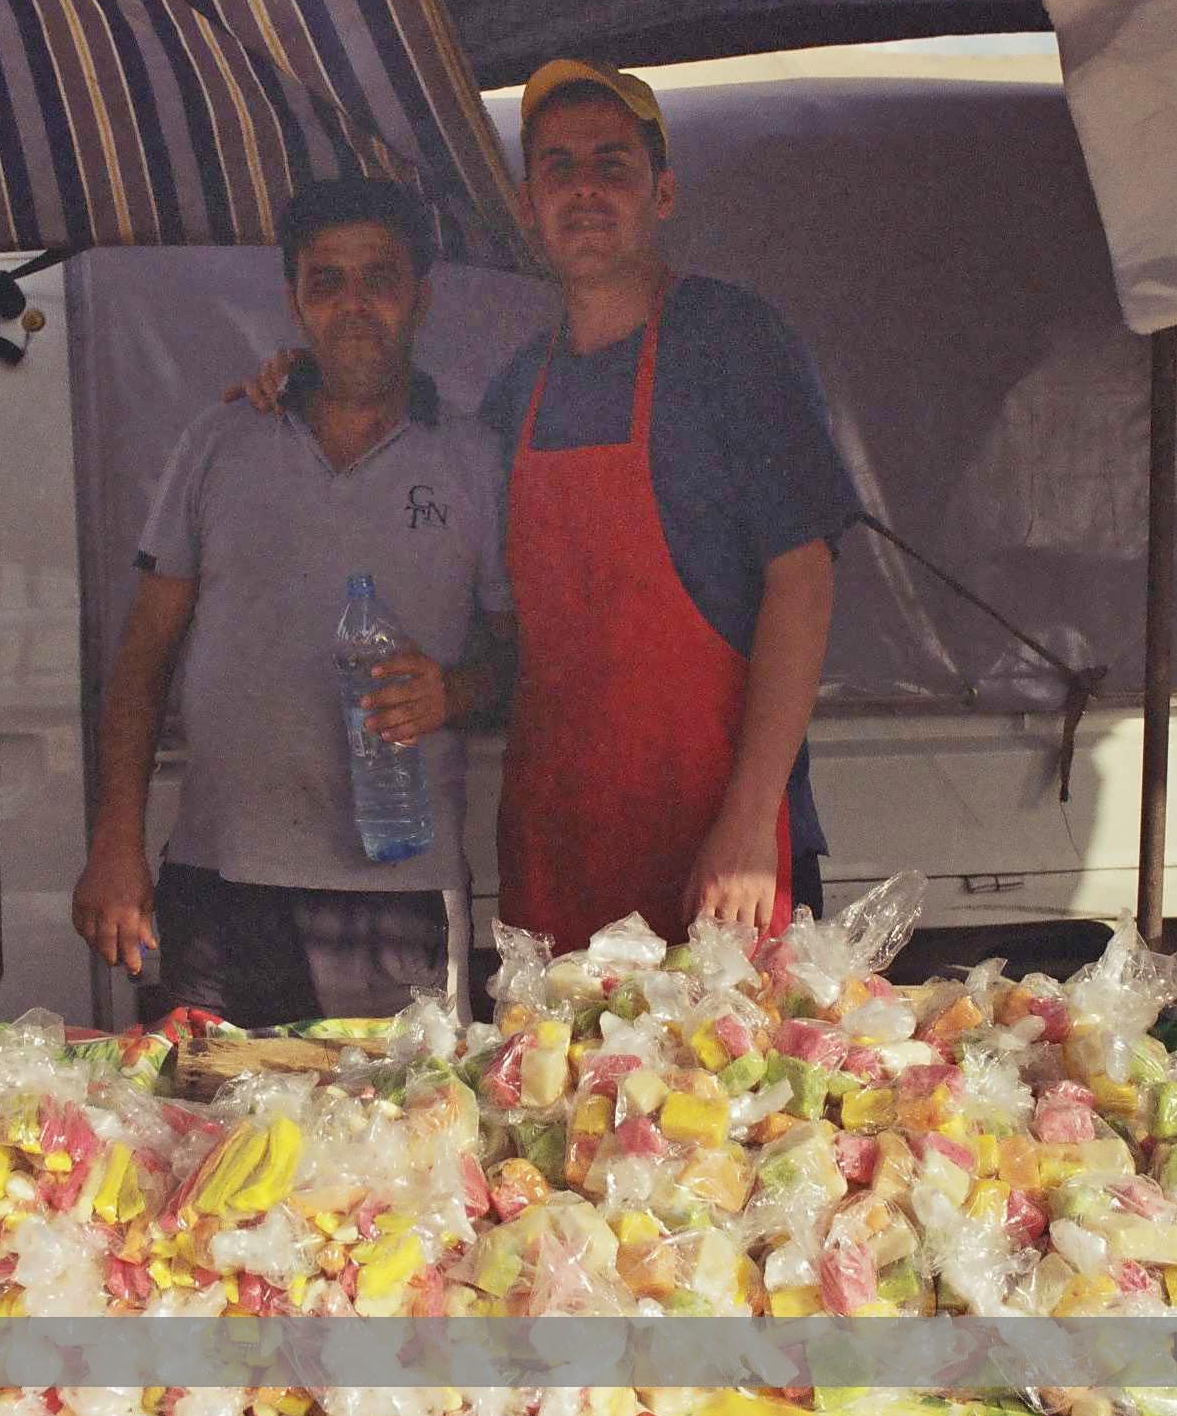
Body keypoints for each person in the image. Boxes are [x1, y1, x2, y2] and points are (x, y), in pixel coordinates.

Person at [240, 60, 860, 951]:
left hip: (717, 853)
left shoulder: (731, 343)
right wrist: (300, 382)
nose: (584, 190)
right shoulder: (516, 390)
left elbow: (802, 581)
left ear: (663, 193)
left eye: (612, 164)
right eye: (557, 169)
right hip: (557, 848)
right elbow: (480, 581)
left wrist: (748, 820)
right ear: (528, 207)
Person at [72, 178, 515, 1027]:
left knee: (387, 1146)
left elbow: (520, 660)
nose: (353, 305)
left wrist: (452, 692)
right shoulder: (221, 440)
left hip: (397, 896)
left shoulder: (475, 461)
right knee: (211, 1135)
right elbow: (142, 658)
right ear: (294, 300)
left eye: (378, 279)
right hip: (219, 879)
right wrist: (116, 841)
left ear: (419, 296)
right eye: (326, 281)